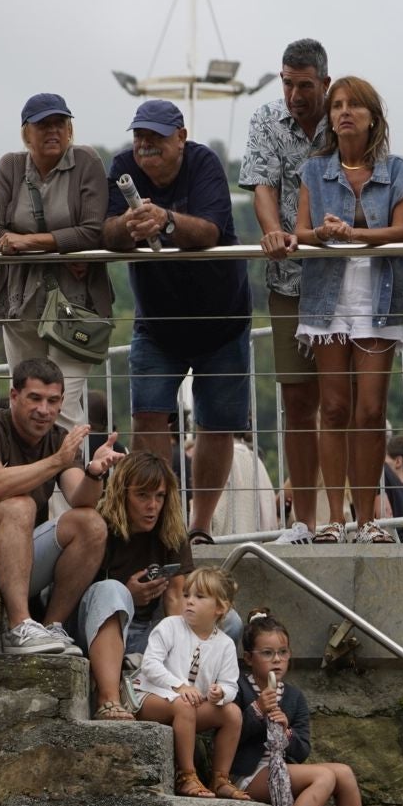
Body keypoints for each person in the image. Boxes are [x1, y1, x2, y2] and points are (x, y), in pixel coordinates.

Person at [103, 99, 251, 543]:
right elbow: (103, 231)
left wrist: (165, 221)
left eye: (157, 138)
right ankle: (161, 522)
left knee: (216, 424)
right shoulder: (122, 165)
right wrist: (128, 225)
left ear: (181, 138)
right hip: (157, 321)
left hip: (222, 319)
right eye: (140, 137)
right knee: (147, 415)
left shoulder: (205, 163)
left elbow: (209, 230)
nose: (146, 147)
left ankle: (200, 524)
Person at [295, 77, 403, 544]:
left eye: (355, 106)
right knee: (333, 408)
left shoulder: (401, 172)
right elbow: (302, 233)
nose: (344, 112)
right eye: (338, 106)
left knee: (370, 410)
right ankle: (334, 519)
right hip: (328, 299)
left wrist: (350, 233)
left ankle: (367, 519)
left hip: (378, 298)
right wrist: (325, 233)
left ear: (373, 116)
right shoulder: (314, 171)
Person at [0, 357, 119, 655]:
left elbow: (81, 500)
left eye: (52, 401)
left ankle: (50, 627)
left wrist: (95, 472)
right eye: (35, 398)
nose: (44, 410)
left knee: (91, 524)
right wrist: (57, 461)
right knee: (19, 505)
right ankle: (19, 626)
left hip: (15, 557)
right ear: (14, 395)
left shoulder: (58, 438)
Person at [241, 40, 330, 535]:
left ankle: (347, 515)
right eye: (287, 82)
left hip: (345, 281)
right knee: (298, 398)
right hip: (289, 280)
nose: (294, 94)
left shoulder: (349, 114)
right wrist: (273, 231)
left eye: (304, 85)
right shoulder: (266, 120)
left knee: (345, 401)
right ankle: (307, 521)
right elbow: (262, 186)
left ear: (325, 83)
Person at [0, 93, 112, 427]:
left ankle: (69, 480)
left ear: (70, 130)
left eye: (60, 123)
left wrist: (29, 241)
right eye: (43, 125)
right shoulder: (10, 166)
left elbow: (92, 232)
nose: (52, 131)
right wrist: (62, 246)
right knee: (27, 408)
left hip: (76, 307)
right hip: (20, 305)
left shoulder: (86, 161)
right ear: (26, 133)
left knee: (61, 407)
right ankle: (35, 479)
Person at [231, 608, 379, 806]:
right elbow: (231, 739)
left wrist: (287, 732)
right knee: (323, 776)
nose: (277, 660)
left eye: (283, 652)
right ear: (249, 658)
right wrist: (257, 710)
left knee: (343, 772)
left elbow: (302, 751)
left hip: (279, 769)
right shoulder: (239, 688)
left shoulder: (294, 697)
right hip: (248, 775)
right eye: (267, 653)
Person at [79, 451, 192, 720]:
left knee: (225, 619)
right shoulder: (101, 526)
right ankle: (108, 699)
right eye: (142, 495)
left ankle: (175, 692)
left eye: (159, 496)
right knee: (112, 591)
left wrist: (177, 665)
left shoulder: (171, 529)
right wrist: (127, 595)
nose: (152, 505)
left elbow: (177, 597)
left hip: (147, 633)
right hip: (97, 629)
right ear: (123, 494)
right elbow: (75, 593)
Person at [133, 566, 249, 801]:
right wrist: (180, 686)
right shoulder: (170, 626)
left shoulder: (225, 644)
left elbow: (231, 684)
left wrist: (221, 693)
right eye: (187, 595)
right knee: (183, 705)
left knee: (233, 713)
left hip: (189, 708)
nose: (189, 602)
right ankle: (186, 775)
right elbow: (150, 665)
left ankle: (220, 778)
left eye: (199, 597)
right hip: (150, 697)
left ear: (220, 608)